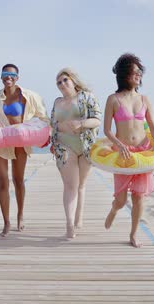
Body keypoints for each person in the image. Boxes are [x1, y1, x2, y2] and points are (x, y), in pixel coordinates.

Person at [0, 64, 49, 237]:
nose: (8, 77)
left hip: (21, 140)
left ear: (17, 77)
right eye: (5, 74)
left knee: (18, 179)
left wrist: (48, 133)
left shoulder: (29, 96)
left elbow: (42, 116)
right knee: (3, 181)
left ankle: (20, 215)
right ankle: (6, 222)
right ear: (1, 77)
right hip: (0, 139)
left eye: (11, 74)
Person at [102, 53, 154, 248]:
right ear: (124, 74)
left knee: (138, 197)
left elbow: (152, 124)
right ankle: (114, 210)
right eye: (134, 71)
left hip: (142, 151)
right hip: (123, 153)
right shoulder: (113, 99)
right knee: (121, 201)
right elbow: (106, 130)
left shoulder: (144, 99)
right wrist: (119, 145)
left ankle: (133, 234)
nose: (138, 75)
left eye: (140, 72)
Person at [50, 68, 101, 238]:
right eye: (59, 82)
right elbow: (53, 124)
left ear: (73, 80)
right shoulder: (57, 102)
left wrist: (82, 123)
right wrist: (60, 127)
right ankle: (70, 224)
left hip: (86, 146)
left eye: (65, 80)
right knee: (70, 185)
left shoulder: (87, 96)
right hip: (64, 146)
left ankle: (79, 218)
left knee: (81, 184)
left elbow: (97, 120)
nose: (62, 84)